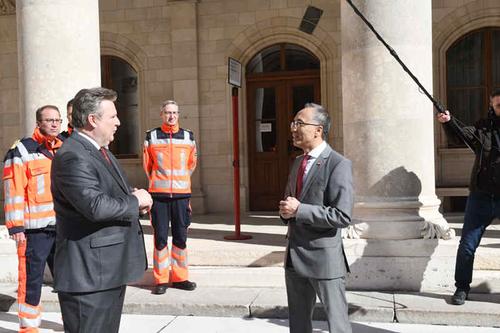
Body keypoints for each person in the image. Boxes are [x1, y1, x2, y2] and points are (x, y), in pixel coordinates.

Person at [51, 87, 152, 333]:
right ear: (92, 120)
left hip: (108, 270)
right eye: (112, 117)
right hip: (89, 276)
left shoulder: (101, 152)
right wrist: (135, 201)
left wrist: (133, 200)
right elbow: (95, 206)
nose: (119, 122)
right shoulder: (72, 156)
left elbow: (111, 195)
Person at [279, 103, 354, 333]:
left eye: (299, 123)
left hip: (324, 258)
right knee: (298, 324)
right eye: (293, 123)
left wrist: (299, 210)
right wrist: (285, 212)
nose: (293, 128)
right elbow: (292, 202)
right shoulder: (297, 162)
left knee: (338, 325)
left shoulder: (338, 164)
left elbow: (342, 215)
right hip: (294, 257)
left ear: (317, 130)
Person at [2, 105, 65, 333]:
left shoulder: (63, 149)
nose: (55, 124)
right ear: (38, 123)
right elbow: (13, 190)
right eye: (49, 120)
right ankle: (29, 328)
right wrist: (16, 226)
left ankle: (72, 321)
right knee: (31, 281)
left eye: (58, 120)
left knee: (68, 279)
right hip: (34, 231)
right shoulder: (21, 151)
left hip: (61, 228)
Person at [437, 89, 500, 305]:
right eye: (499, 105)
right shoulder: (483, 128)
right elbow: (460, 136)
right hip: (481, 197)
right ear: (492, 106)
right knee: (467, 246)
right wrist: (448, 121)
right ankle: (462, 288)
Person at [143, 100, 197, 295]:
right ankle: (161, 279)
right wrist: (159, 182)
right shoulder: (151, 136)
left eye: (174, 112)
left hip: (182, 195)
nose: (171, 116)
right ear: (161, 114)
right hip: (159, 196)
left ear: (179, 114)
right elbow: (147, 166)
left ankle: (181, 277)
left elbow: (191, 164)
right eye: (167, 112)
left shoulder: (189, 137)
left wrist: (180, 182)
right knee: (160, 239)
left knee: (181, 238)